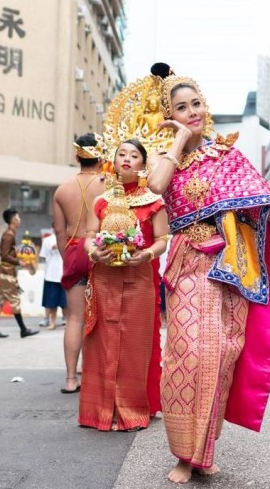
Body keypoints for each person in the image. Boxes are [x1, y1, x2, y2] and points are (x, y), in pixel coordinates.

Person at [144, 63, 270, 484]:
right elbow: (156, 186)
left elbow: (264, 203)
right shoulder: (166, 154)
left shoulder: (227, 157)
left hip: (226, 269)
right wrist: (179, 139)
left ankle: (202, 451)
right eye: (181, 107)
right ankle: (182, 451)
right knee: (184, 355)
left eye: (196, 104)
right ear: (170, 115)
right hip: (186, 262)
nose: (192, 111)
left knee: (219, 355)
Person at [80, 139, 168, 431]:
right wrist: (95, 252)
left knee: (134, 345)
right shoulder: (101, 201)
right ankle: (100, 412)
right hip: (104, 277)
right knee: (102, 341)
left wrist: (145, 255)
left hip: (138, 279)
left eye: (134, 155)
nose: (127, 159)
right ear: (113, 162)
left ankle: (130, 410)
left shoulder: (154, 202)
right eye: (122, 154)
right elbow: (89, 236)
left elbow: (162, 240)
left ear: (143, 164)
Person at [52, 133, 106, 394]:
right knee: (104, 318)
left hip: (74, 250)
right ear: (101, 156)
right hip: (101, 251)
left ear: (77, 156)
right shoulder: (108, 186)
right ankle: (97, 377)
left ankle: (71, 379)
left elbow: (59, 232)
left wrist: (68, 258)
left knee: (75, 318)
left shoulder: (62, 190)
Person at [0, 209, 38, 339]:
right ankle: (23, 329)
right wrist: (19, 262)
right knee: (14, 300)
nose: (20, 220)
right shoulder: (9, 235)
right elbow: (4, 255)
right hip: (6, 272)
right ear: (14, 220)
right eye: (18, 217)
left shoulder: (10, 233)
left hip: (5, 271)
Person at [39, 231, 66, 330]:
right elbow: (44, 255)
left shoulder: (68, 238)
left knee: (66, 301)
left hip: (65, 273)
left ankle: (67, 321)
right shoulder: (48, 240)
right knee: (52, 301)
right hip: (51, 275)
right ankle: (52, 322)